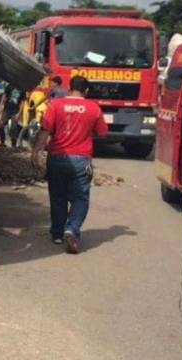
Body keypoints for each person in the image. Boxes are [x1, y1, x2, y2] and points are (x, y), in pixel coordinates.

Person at [31, 75, 107, 254]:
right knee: (80, 198)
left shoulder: (56, 105)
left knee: (57, 197)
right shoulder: (93, 108)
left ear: (69, 87)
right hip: (81, 160)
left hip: (56, 157)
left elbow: (45, 131)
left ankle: (57, 234)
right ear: (86, 90)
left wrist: (35, 152)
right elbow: (102, 132)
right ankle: (72, 229)